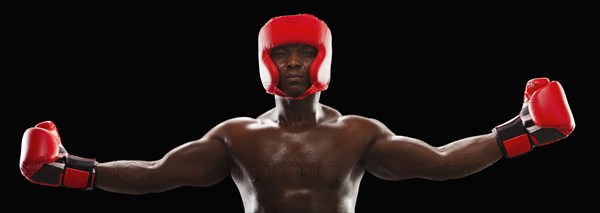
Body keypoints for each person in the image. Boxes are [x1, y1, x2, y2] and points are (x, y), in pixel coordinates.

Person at [19, 13, 575, 213]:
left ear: (323, 59)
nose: (291, 64)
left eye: (302, 53)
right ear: (264, 63)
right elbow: (155, 174)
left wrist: (519, 132)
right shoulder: (236, 137)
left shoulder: (358, 133)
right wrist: (74, 170)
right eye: (281, 54)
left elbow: (440, 163)